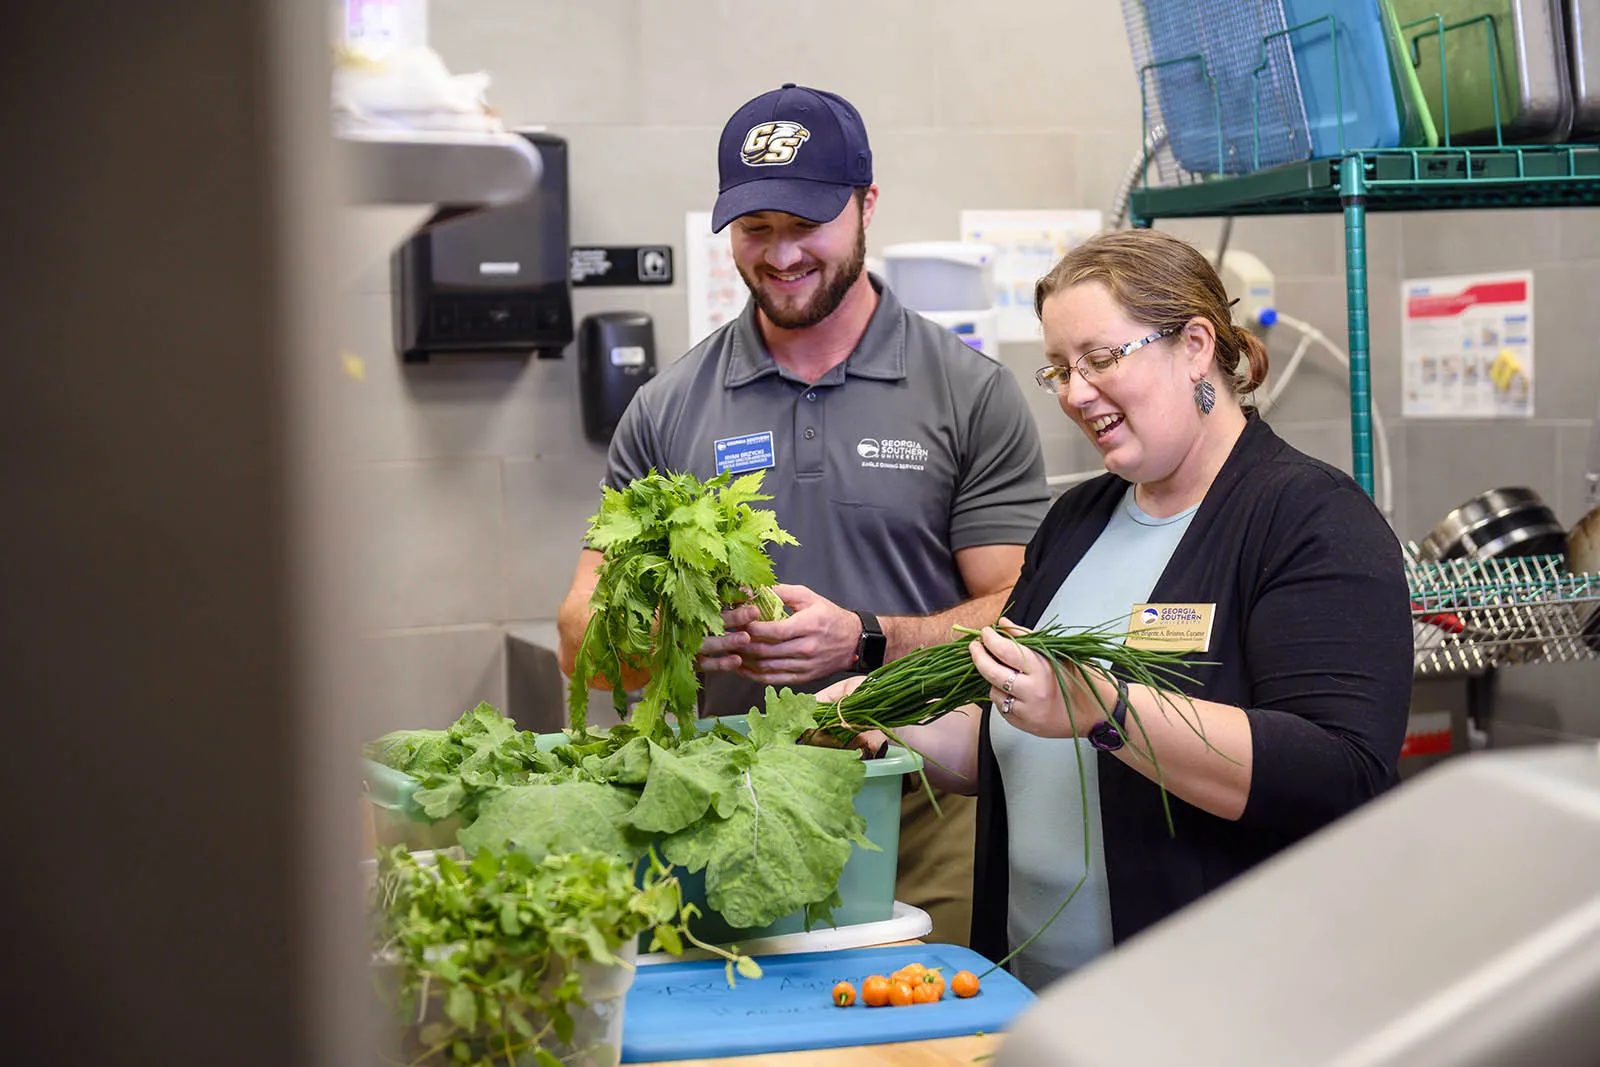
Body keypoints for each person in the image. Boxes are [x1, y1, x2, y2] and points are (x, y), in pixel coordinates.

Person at [821, 228, 1412, 991]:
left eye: (1099, 359)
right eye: (1059, 369)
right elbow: (1013, 736)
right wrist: (884, 720)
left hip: (1212, 1003)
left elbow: (1341, 771)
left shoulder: (1311, 518)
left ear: (1195, 345)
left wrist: (1105, 708)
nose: (1074, 393)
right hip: (1029, 990)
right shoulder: (1079, 520)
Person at [556, 83, 1052, 945]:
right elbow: (578, 640)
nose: (781, 254)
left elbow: (1025, 613)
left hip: (919, 804)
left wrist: (869, 639)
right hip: (726, 805)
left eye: (807, 223)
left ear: (867, 205)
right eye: (756, 228)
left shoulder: (968, 393)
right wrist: (674, 635)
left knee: (919, 1008)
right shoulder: (669, 406)